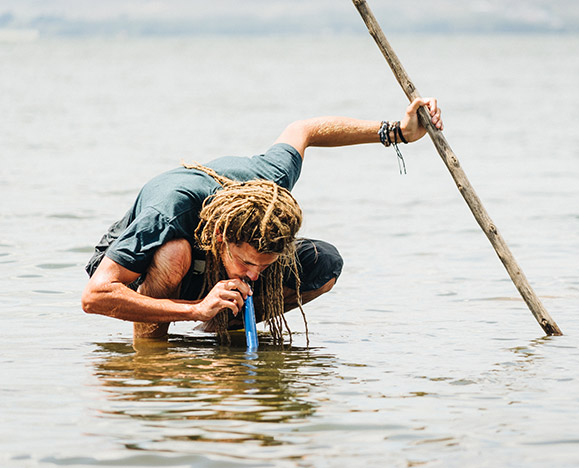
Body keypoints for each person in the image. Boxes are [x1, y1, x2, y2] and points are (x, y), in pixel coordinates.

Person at [81, 97, 443, 342]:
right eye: (248, 262)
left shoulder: (271, 181)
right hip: (144, 264)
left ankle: (222, 327)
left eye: (263, 265)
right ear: (221, 235)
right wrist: (194, 309)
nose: (255, 275)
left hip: (209, 270)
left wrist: (398, 131)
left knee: (325, 263)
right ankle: (155, 354)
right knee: (174, 254)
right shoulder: (168, 211)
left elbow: (305, 130)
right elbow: (95, 296)